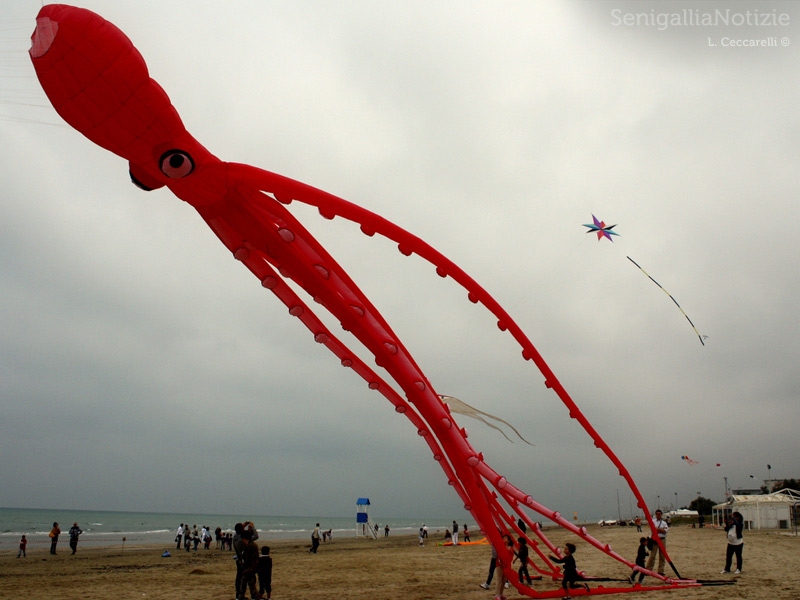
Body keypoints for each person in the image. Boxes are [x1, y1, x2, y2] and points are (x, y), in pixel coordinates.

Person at [645, 509, 669, 575]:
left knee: (662, 556)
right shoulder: (653, 521)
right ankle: (649, 569)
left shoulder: (664, 522)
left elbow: (665, 531)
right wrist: (661, 530)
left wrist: (657, 529)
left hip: (662, 539)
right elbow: (653, 529)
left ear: (661, 514)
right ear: (656, 514)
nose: (658, 515)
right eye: (657, 514)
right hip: (655, 539)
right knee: (652, 555)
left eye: (659, 514)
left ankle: (661, 571)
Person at [237, 530, 259, 600]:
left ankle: (253, 596)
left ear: (245, 538)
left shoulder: (249, 546)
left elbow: (248, 558)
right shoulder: (253, 545)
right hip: (252, 567)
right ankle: (243, 596)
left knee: (249, 583)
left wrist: (243, 563)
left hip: (249, 567)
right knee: (246, 582)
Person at [494, 534, 514, 600]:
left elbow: (511, 558)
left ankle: (501, 594)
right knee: (499, 579)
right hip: (499, 565)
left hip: (507, 565)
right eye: (503, 538)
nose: (504, 539)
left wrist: (508, 565)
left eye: (505, 538)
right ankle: (497, 595)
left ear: (508, 540)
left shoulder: (510, 548)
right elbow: (498, 556)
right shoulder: (500, 547)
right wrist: (501, 563)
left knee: (504, 580)